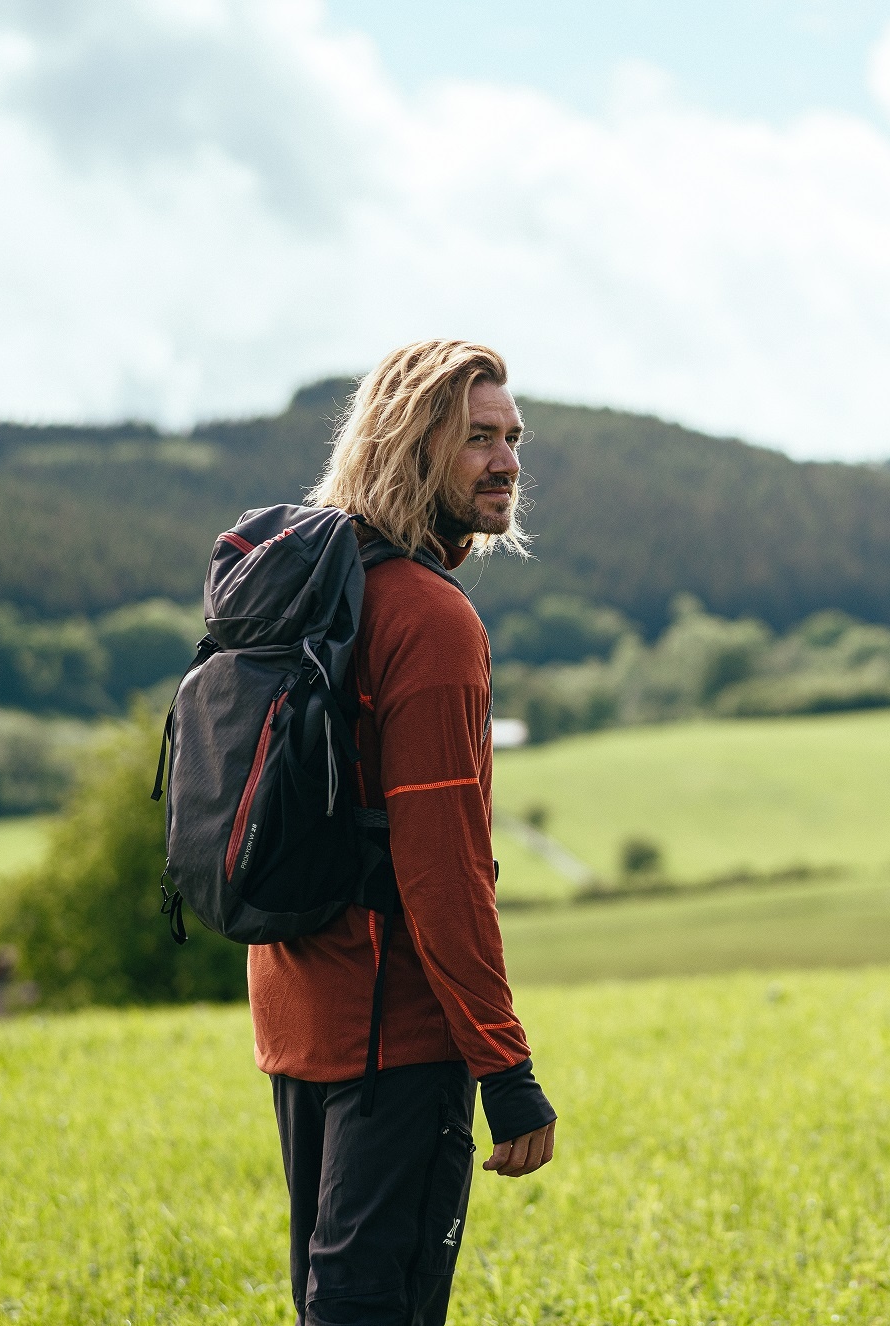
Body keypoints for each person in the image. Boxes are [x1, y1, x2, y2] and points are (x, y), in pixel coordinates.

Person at [253, 340, 557, 1325]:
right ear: (411, 447)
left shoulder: (307, 590)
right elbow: (444, 869)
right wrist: (505, 1071)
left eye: (511, 437)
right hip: (396, 1030)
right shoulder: (428, 617)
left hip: (300, 1017)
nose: (507, 460)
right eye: (477, 439)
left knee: (327, 1294)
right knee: (373, 1305)